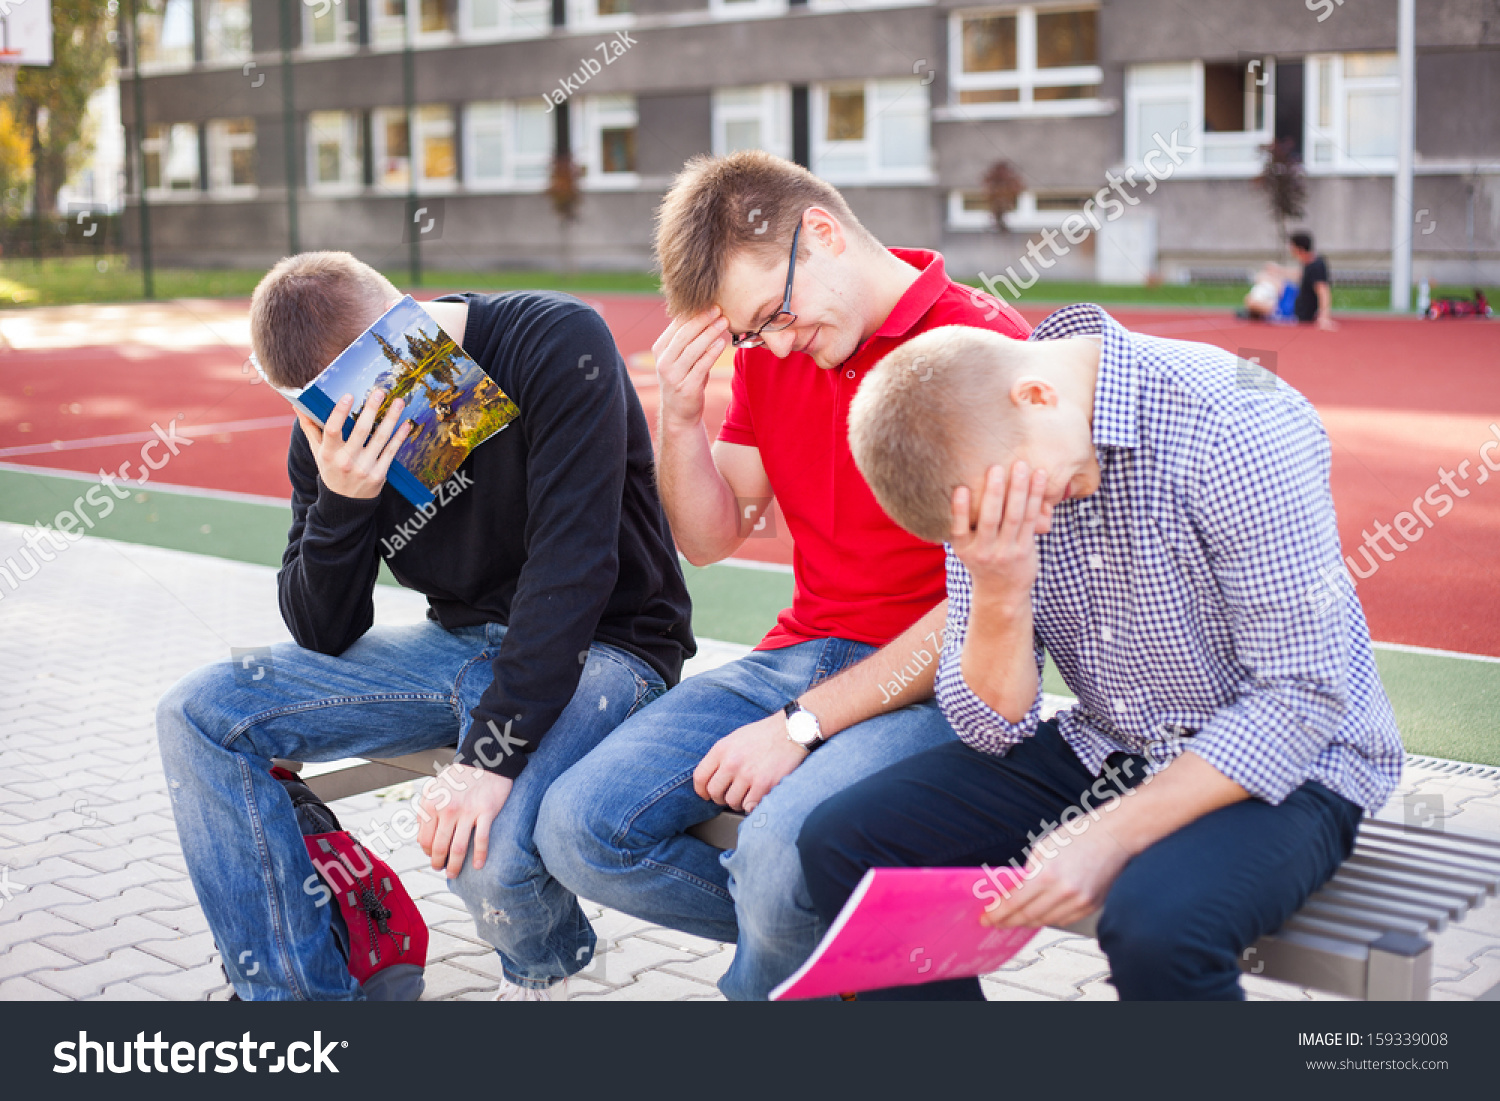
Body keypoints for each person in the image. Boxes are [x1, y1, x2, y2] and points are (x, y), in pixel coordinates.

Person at [534, 151, 1032, 1001]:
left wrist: (799, 727)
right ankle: (840, 940)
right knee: (578, 829)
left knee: (777, 853)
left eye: (773, 314)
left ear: (824, 235)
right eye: (748, 332)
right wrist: (681, 415)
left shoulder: (983, 345)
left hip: (941, 680)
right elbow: (710, 537)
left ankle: (801, 946)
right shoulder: (774, 351)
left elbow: (984, 608)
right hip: (799, 652)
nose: (772, 344)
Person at [796, 304, 1403, 1000]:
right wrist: (998, 591)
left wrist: (1110, 834)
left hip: (1296, 760)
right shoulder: (984, 462)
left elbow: (1302, 695)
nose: (1032, 520)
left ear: (1037, 395)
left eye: (1022, 495)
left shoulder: (1234, 420)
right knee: (845, 842)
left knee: (1155, 927)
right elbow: (991, 727)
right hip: (1112, 743)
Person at [156, 251, 695, 1001]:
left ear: (403, 332)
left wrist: (487, 758)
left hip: (607, 644)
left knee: (485, 853)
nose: (334, 424)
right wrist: (344, 503)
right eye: (312, 409)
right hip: (455, 649)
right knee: (199, 713)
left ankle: (546, 973)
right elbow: (323, 629)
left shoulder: (554, 339)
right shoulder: (331, 422)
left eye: (351, 400)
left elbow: (572, 572)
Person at [1290, 231, 1338, 330]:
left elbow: (1323, 290)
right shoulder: (1309, 262)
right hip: (1297, 304)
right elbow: (1299, 275)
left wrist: (1324, 317)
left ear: (1299, 249)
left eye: (1292, 247)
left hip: (1301, 311)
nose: (1290, 250)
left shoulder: (1316, 265)